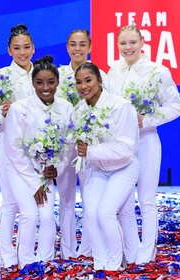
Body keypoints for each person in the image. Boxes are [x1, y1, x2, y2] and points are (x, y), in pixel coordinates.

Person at [108, 24, 180, 264]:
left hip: (147, 141)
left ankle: (146, 255)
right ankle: (131, 252)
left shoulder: (157, 71)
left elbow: (175, 107)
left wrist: (146, 120)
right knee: (124, 202)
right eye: (123, 43)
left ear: (142, 43)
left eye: (132, 42)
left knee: (147, 200)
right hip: (120, 144)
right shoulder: (113, 71)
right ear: (117, 45)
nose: (128, 47)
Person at [4, 55, 73, 268]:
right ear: (32, 83)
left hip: (46, 173)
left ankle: (45, 261)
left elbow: (69, 144)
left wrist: (57, 168)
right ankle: (26, 263)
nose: (45, 87)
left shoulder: (66, 107)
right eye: (39, 82)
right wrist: (35, 184)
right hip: (20, 170)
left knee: (47, 216)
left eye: (51, 82)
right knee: (31, 215)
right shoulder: (20, 108)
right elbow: (14, 149)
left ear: (58, 82)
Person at [0, 24, 35, 268]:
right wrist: (1, 113)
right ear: (9, 50)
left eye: (26, 47)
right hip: (6, 144)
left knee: (32, 204)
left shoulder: (41, 74)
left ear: (33, 48)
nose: (22, 52)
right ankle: (7, 256)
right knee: (10, 201)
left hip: (37, 146)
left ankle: (26, 254)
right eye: (17, 48)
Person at [73, 62, 139, 270]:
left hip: (124, 168)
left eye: (88, 80)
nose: (83, 86)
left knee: (105, 213)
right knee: (91, 214)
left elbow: (127, 148)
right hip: (96, 169)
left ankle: (116, 260)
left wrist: (90, 151)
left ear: (100, 80)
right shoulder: (79, 110)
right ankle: (100, 263)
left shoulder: (120, 105)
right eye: (79, 82)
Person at [57, 29, 108, 259]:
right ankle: (67, 250)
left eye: (82, 44)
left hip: (89, 146)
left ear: (90, 47)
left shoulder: (100, 75)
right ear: (67, 47)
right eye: (73, 44)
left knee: (91, 199)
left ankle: (89, 248)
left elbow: (106, 110)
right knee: (66, 199)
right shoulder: (57, 74)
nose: (77, 48)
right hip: (64, 147)